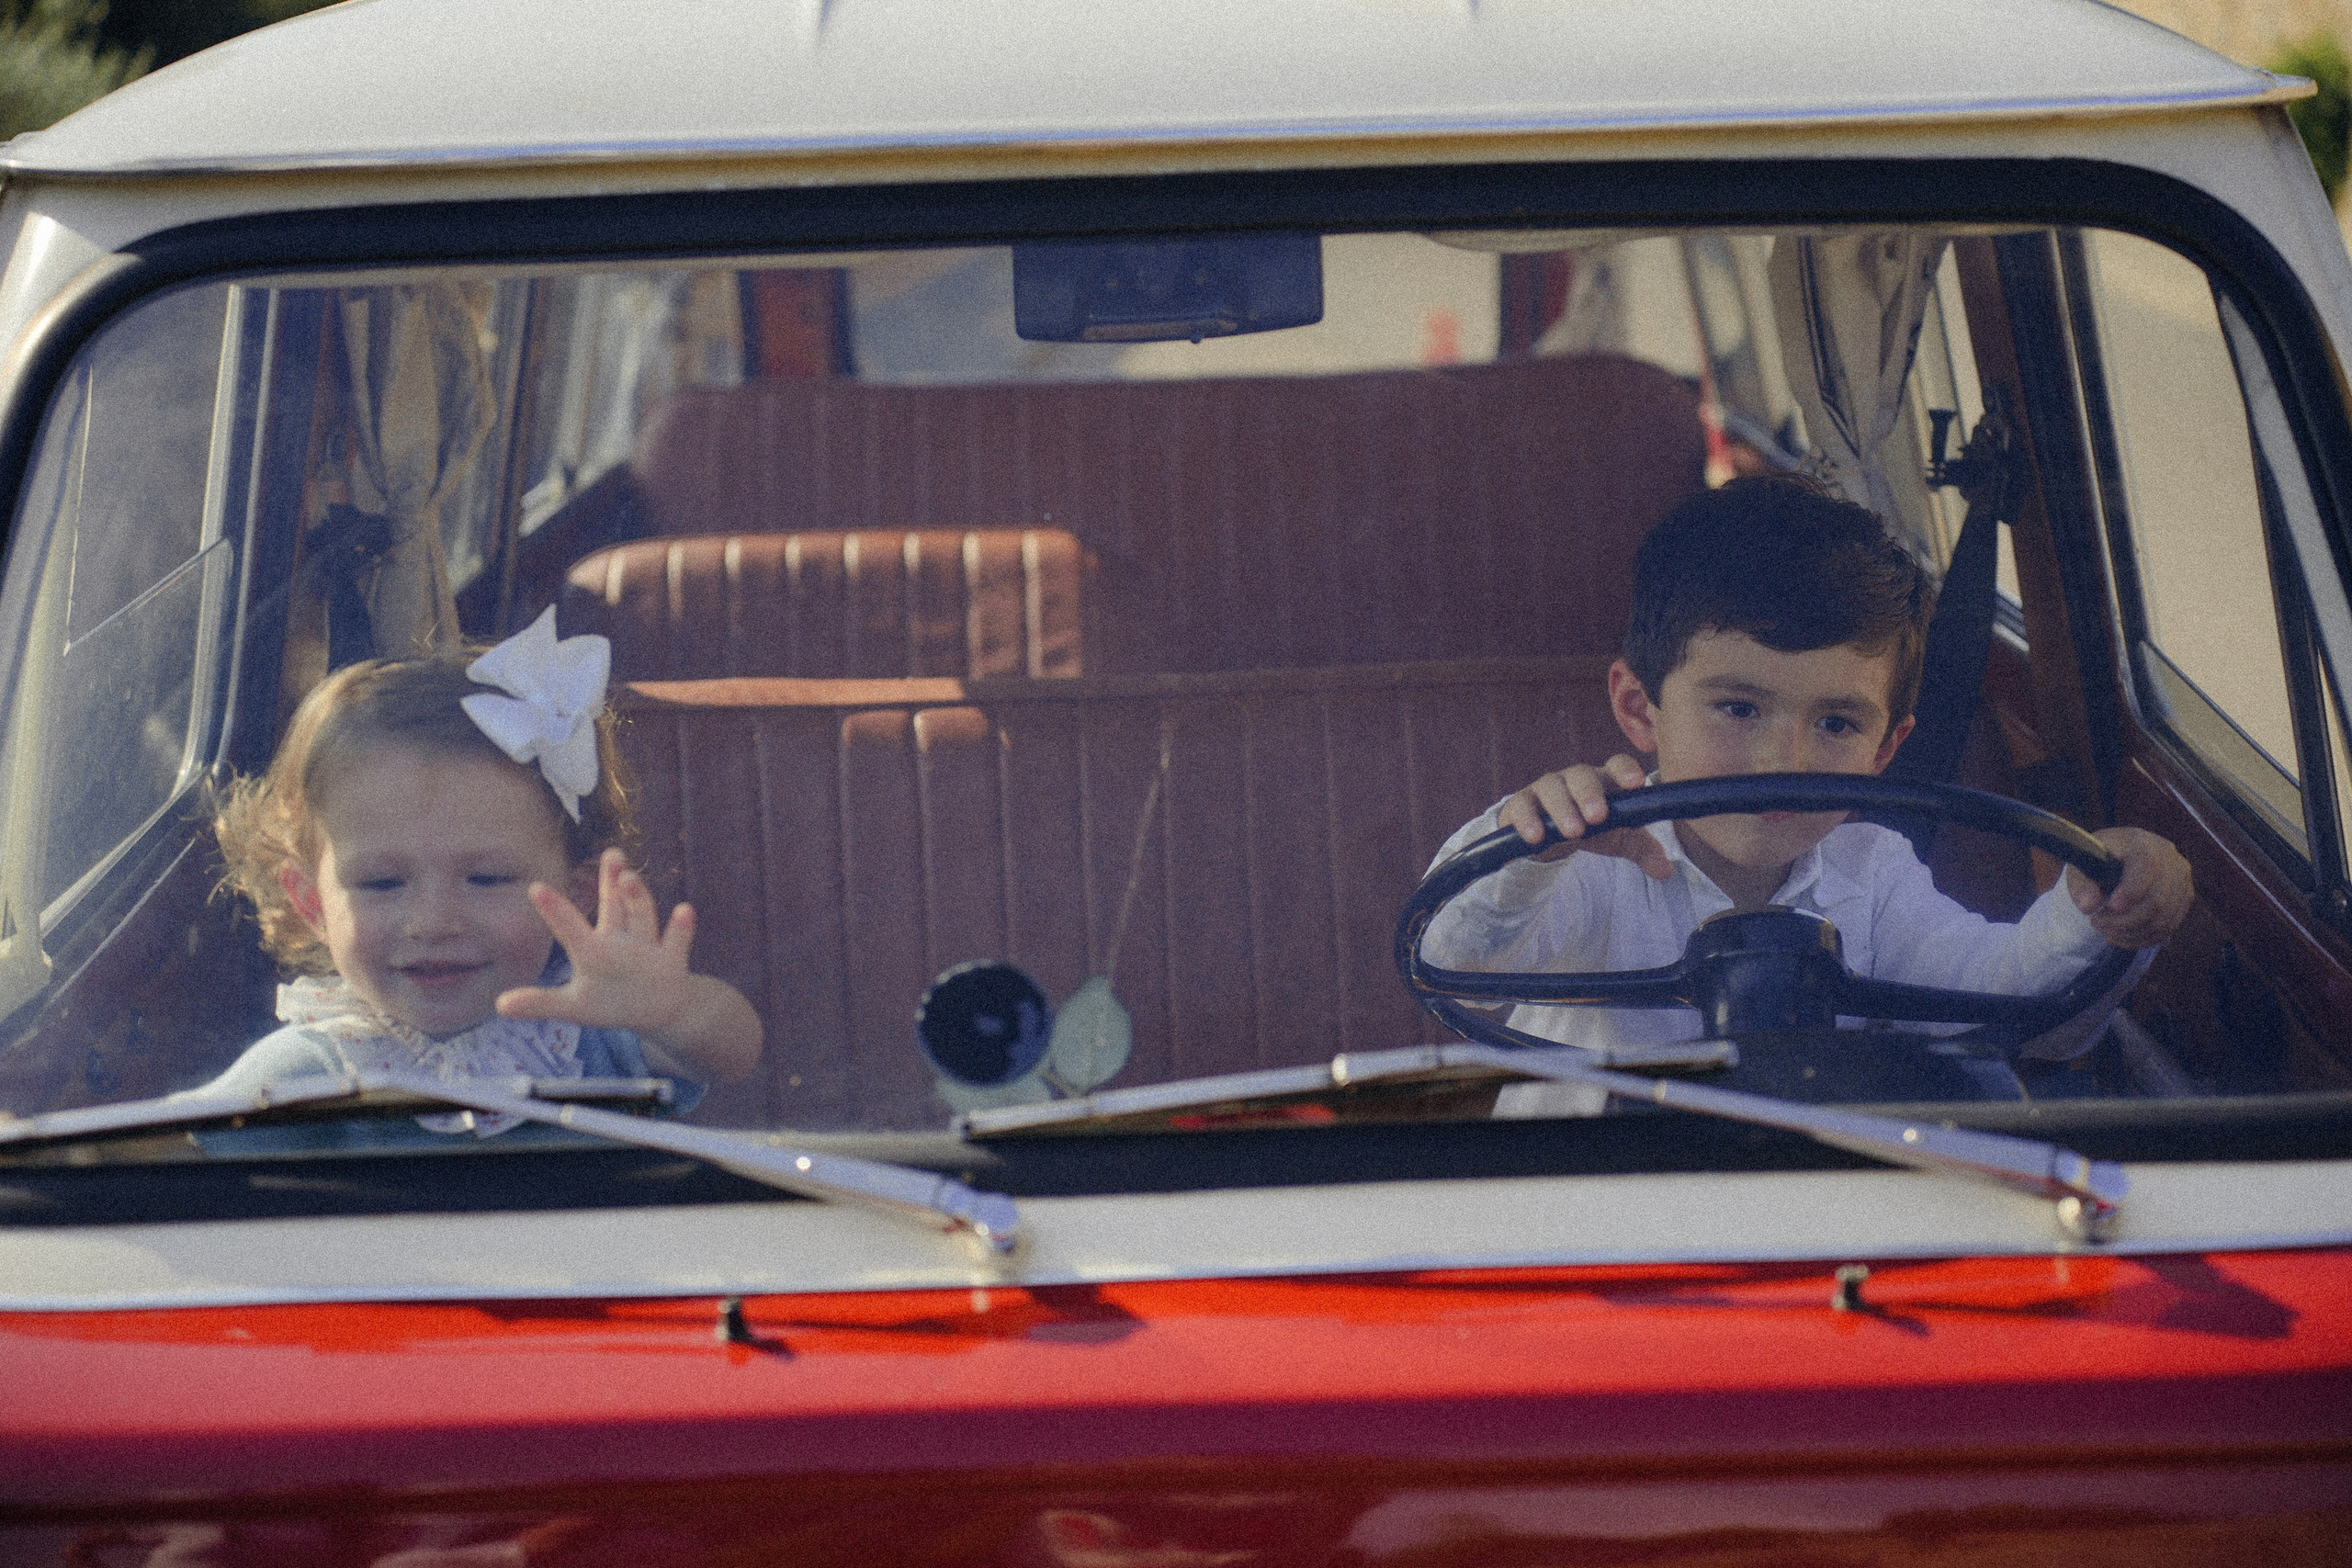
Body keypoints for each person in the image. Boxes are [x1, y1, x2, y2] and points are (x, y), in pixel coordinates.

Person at [1419, 476, 2194, 1058]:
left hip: (1807, 1213)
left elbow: (1999, 1002)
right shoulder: (1586, 862)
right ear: (1638, 707)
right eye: (1738, 708)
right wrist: (1531, 850)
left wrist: (2097, 911)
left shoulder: (1874, 874)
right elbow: (1453, 953)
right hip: (1580, 1222)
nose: (1780, 760)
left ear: (1885, 751)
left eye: (1835, 723)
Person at [188, 608, 762, 1136]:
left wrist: (670, 1010)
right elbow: (173, 1154)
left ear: (578, 890)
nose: (434, 923)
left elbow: (734, 1050)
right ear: (312, 905)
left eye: (486, 879)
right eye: (383, 883)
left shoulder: (587, 1022)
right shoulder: (299, 1074)